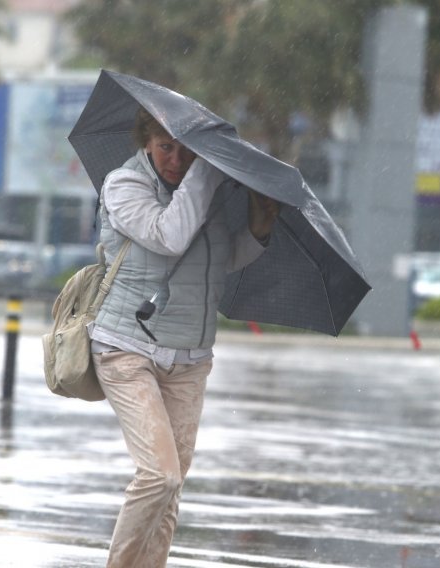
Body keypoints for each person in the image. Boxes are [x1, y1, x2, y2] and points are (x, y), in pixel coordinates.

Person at [90, 107, 280, 567]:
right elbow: (169, 235)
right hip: (126, 348)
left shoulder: (204, 197)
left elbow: (220, 261)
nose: (176, 160)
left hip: (191, 358)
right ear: (146, 142)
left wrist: (260, 221)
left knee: (171, 492)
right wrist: (209, 171)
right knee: (160, 477)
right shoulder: (124, 185)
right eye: (166, 147)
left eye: (188, 151)